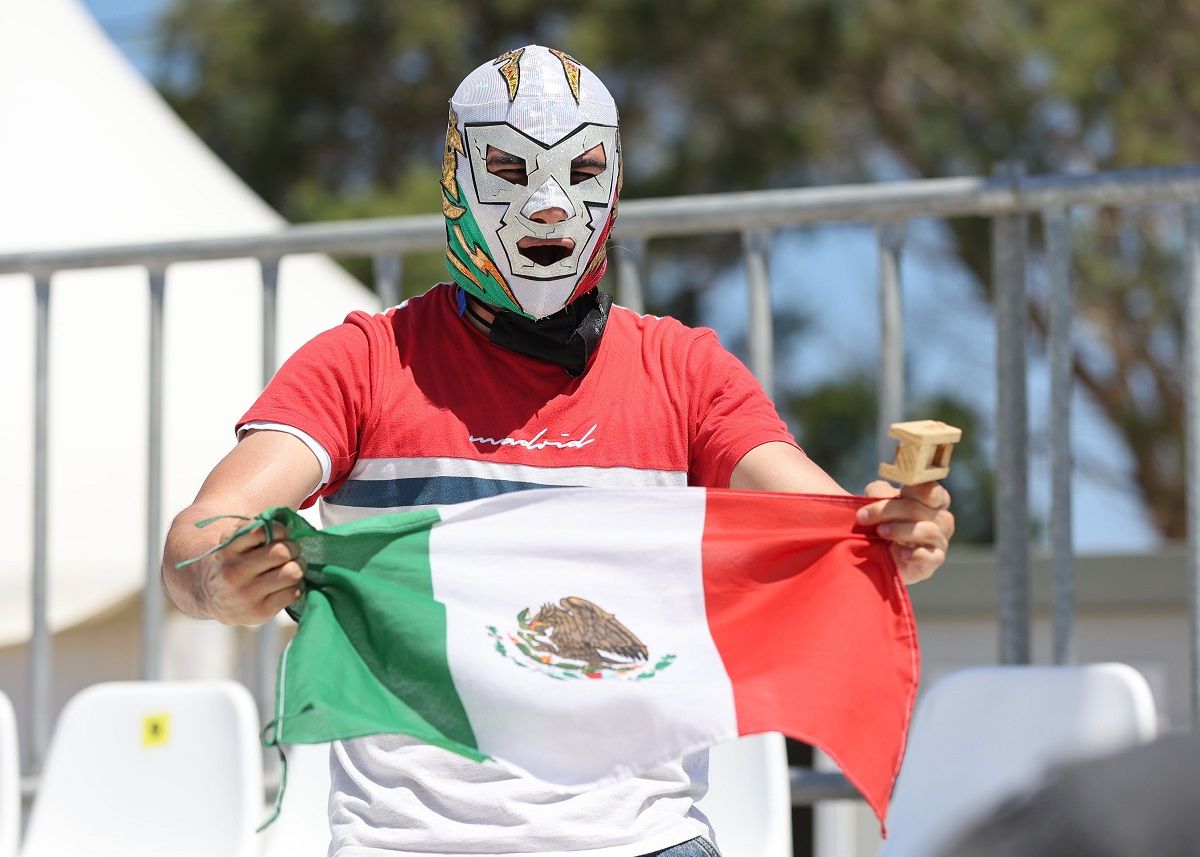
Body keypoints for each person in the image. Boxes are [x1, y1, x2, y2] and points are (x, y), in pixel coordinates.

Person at [162, 45, 954, 857]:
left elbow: (827, 528)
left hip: (642, 840)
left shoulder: (681, 370)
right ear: (456, 178)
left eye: (580, 170)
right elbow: (197, 540)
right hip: (412, 844)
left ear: (614, 182)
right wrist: (218, 576)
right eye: (510, 166)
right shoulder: (365, 362)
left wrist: (893, 538)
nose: (548, 207)